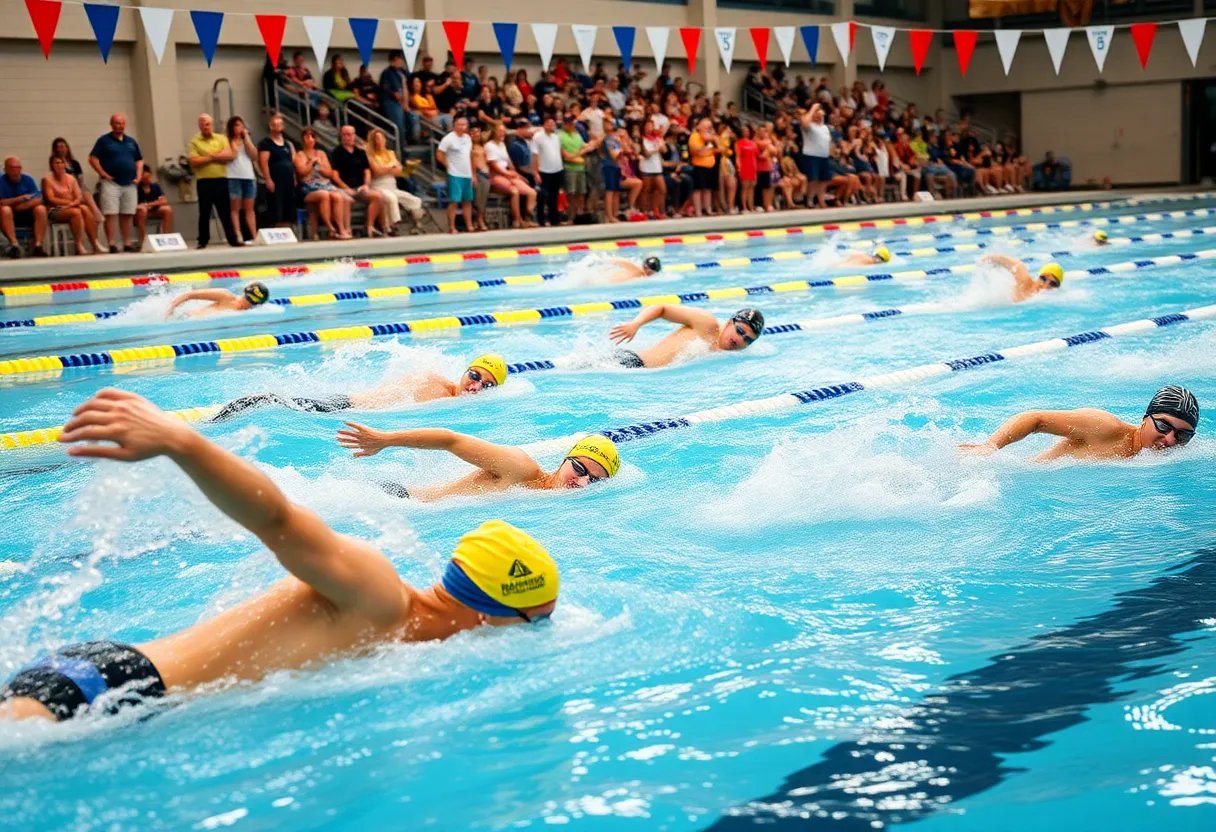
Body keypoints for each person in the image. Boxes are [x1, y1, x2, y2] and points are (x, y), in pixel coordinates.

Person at [0, 389, 558, 723]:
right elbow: (278, 520)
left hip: (118, 693)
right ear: (498, 609)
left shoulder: (408, 636)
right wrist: (184, 442)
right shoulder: (381, 597)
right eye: (537, 622)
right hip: (106, 689)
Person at [208, 354, 511, 423]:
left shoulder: (454, 404)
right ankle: (212, 420)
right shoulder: (434, 382)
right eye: (474, 374)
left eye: (486, 385)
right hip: (343, 404)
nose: (475, 385)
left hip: (348, 410)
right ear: (465, 370)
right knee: (271, 401)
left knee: (276, 403)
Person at [337, 428, 620, 501]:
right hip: (396, 499)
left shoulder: (553, 501)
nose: (582, 482)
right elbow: (451, 440)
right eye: (580, 469)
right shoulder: (521, 470)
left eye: (594, 481)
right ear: (564, 460)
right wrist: (386, 440)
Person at [960, 386, 1199, 462]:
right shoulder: (1104, 428)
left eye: (1182, 436)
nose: (1169, 440)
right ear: (1145, 418)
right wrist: (990, 446)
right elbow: (1034, 418)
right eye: (1164, 426)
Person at [607, 306, 765, 368]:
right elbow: (662, 308)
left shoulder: (726, 358)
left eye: (747, 340)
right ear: (730, 323)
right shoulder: (707, 324)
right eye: (739, 331)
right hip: (629, 363)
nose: (739, 339)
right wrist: (636, 323)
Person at [88, 113, 143, 252]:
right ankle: (112, 243)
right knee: (111, 213)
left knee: (127, 213)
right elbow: (93, 158)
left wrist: (139, 175)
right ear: (112, 125)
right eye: (116, 123)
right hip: (111, 182)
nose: (119, 126)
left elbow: (139, 160)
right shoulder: (104, 141)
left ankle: (127, 243)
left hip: (130, 182)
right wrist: (103, 174)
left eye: (122, 123)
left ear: (125, 124)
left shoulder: (131, 141)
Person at [187, 113, 238, 249]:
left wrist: (209, 156)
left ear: (212, 124)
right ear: (199, 126)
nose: (206, 127)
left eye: (208, 124)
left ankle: (232, 239)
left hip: (220, 180)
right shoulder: (194, 142)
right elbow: (194, 161)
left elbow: (229, 155)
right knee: (204, 212)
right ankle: (203, 240)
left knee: (225, 212)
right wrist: (214, 157)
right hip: (204, 181)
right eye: (203, 124)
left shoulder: (221, 138)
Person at [294, 127, 352, 240]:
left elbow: (329, 173)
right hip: (308, 187)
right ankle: (330, 227)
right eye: (307, 136)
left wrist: (320, 167)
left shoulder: (321, 153)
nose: (310, 139)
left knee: (338, 196)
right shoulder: (299, 155)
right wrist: (311, 162)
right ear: (303, 139)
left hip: (325, 184)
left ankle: (341, 229)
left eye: (312, 136)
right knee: (324, 195)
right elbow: (301, 173)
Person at [365, 128, 424, 235]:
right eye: (377, 139)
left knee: (414, 200)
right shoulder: (369, 155)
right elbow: (377, 171)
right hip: (378, 185)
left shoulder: (391, 153)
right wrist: (390, 168)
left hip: (392, 185)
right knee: (391, 198)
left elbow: (400, 171)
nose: (380, 141)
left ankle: (417, 224)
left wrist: (387, 169)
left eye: (382, 138)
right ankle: (393, 226)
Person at [330, 125, 385, 238]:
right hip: (344, 187)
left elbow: (367, 171)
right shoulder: (336, 152)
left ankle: (369, 226)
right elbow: (334, 175)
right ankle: (346, 229)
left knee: (377, 196)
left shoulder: (360, 152)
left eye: (351, 134)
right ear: (341, 136)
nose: (349, 137)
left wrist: (366, 185)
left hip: (360, 186)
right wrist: (346, 188)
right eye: (346, 134)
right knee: (346, 198)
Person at [41, 154, 101, 255]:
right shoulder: (47, 180)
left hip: (72, 206)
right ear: (52, 165)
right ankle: (78, 244)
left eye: (61, 162)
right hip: (54, 209)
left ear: (65, 164)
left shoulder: (71, 179)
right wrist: (70, 203)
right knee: (76, 212)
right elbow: (51, 199)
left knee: (85, 209)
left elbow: (78, 196)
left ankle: (94, 243)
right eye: (56, 163)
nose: (59, 165)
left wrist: (72, 204)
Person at [485, 122, 538, 229]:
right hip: (496, 175)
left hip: (507, 174)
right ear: (494, 132)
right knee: (515, 191)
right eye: (500, 131)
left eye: (503, 131)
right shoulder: (489, 145)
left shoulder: (502, 144)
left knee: (531, 192)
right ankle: (517, 220)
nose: (502, 133)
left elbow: (510, 163)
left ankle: (526, 218)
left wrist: (517, 175)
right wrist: (508, 173)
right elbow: (493, 165)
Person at [0, 157, 49, 258]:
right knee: (5, 210)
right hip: (9, 216)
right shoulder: (2, 182)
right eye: (13, 168)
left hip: (27, 212)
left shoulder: (27, 180)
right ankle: (14, 245)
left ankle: (38, 245)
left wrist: (23, 206)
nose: (16, 171)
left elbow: (38, 198)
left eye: (18, 168)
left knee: (41, 209)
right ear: (6, 169)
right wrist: (18, 199)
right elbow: (1, 202)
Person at [50, 137, 104, 228]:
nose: (60, 149)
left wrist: (75, 182)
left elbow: (80, 179)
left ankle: (95, 217)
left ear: (67, 148)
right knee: (85, 200)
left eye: (62, 147)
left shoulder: (74, 163)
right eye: (58, 147)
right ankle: (96, 214)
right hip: (64, 190)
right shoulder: (55, 163)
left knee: (85, 193)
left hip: (77, 188)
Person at [257, 113, 297, 229]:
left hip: (288, 180)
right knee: (276, 205)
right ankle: (278, 228)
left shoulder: (288, 144)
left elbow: (292, 162)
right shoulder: (266, 143)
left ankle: (288, 228)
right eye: (274, 124)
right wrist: (268, 179)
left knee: (288, 205)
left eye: (279, 124)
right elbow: (263, 163)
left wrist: (294, 176)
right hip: (275, 179)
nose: (277, 126)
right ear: (270, 126)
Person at [437, 117, 474, 234]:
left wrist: (473, 174)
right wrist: (447, 165)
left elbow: (470, 156)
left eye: (464, 125)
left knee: (467, 200)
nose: (462, 127)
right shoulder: (448, 139)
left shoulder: (468, 138)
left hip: (467, 174)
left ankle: (469, 225)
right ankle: (452, 226)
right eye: (459, 124)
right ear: (454, 125)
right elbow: (439, 154)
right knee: (454, 200)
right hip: (454, 174)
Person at [225, 116, 259, 245]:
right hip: (233, 176)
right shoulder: (228, 141)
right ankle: (237, 234)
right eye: (236, 125)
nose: (239, 128)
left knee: (249, 208)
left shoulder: (246, 142)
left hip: (248, 176)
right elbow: (230, 156)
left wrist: (247, 138)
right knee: (235, 208)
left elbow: (254, 155)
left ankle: (254, 235)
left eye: (241, 125)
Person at [981, 255, 1064, 303]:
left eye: (1055, 285)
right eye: (1052, 283)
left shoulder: (1042, 299)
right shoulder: (1024, 280)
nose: (1051, 287)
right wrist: (984, 261)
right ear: (1044, 277)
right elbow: (1012, 263)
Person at [165, 281, 270, 319]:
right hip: (185, 318)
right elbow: (189, 295)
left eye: (253, 302)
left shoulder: (249, 314)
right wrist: (171, 310)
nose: (249, 304)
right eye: (248, 299)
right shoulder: (226, 296)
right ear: (244, 293)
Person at [532, 115, 564, 227]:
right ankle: (541, 219)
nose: (552, 126)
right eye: (549, 123)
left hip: (557, 169)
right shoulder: (538, 137)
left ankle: (554, 219)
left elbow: (559, 152)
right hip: (544, 171)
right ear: (544, 125)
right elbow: (535, 155)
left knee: (554, 196)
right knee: (543, 196)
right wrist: (536, 172)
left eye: (553, 124)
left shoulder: (556, 137)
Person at [799, 103, 831, 209]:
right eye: (818, 114)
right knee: (813, 179)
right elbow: (804, 123)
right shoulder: (809, 126)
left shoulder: (825, 127)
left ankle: (821, 200)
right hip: (811, 155)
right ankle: (809, 199)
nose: (820, 116)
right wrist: (812, 109)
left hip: (824, 156)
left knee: (823, 180)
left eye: (821, 114)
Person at [560, 114, 589, 222]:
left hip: (580, 168)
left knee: (581, 192)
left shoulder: (577, 134)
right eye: (569, 123)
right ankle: (570, 218)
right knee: (570, 194)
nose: (571, 125)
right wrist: (580, 153)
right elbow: (567, 157)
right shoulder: (560, 136)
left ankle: (579, 216)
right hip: (569, 169)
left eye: (572, 122)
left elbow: (586, 146)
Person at [378, 51, 412, 146]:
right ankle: (400, 149)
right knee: (398, 125)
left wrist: (407, 104)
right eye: (400, 59)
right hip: (391, 102)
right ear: (395, 59)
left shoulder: (402, 72)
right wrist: (404, 104)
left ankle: (409, 143)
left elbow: (406, 89)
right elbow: (395, 92)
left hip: (402, 103)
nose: (402, 62)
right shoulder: (388, 73)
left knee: (412, 119)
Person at [134, 168, 174, 247]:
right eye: (145, 178)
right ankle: (143, 241)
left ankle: (165, 237)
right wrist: (144, 206)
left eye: (149, 177)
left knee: (168, 209)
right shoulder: (136, 188)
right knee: (142, 210)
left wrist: (149, 204)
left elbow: (163, 201)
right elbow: (135, 205)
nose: (147, 179)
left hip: (153, 210)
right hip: (139, 214)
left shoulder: (155, 186)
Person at [688, 118, 719, 217]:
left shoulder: (712, 138)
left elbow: (720, 149)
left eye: (709, 127)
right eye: (705, 127)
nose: (708, 129)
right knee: (698, 189)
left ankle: (708, 209)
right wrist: (708, 149)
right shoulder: (695, 136)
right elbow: (695, 151)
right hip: (699, 165)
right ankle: (698, 210)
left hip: (710, 165)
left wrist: (712, 140)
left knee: (707, 189)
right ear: (699, 127)